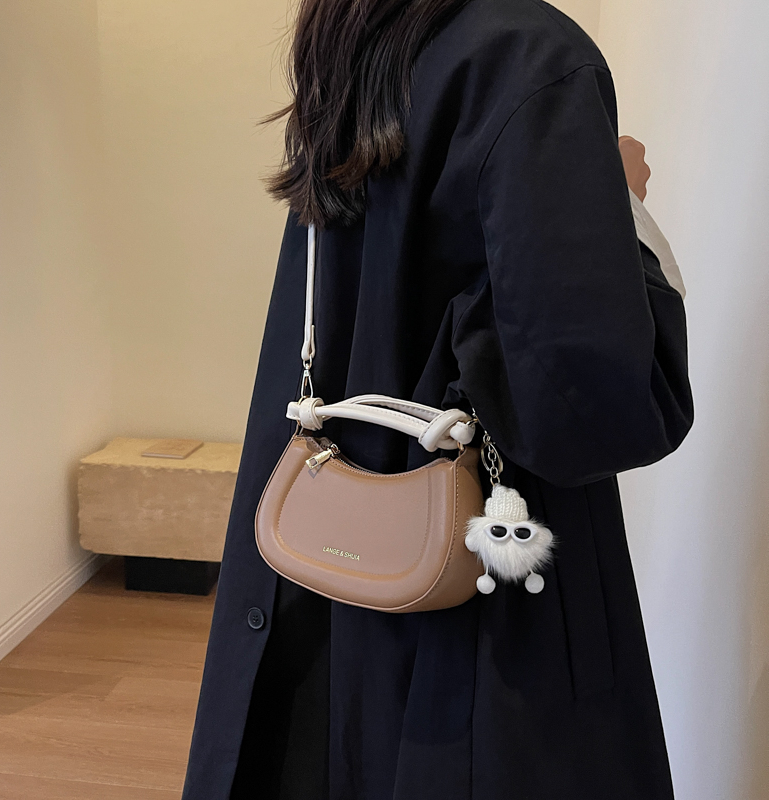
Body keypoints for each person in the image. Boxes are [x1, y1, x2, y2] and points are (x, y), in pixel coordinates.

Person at [182, 1, 693, 798]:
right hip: (484, 597)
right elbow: (597, 409)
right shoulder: (529, 57)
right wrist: (617, 203)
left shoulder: (358, 42)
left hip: (340, 556)